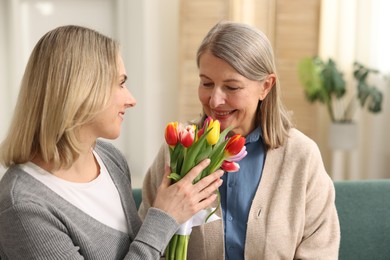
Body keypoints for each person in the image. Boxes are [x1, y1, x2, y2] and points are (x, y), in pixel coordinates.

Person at [0, 25, 224, 260]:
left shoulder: (109, 158)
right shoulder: (23, 207)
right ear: (82, 90)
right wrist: (163, 218)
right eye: (120, 83)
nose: (131, 100)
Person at [139, 21, 340, 259]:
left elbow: (320, 251)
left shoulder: (302, 156)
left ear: (265, 86)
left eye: (231, 87)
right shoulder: (179, 147)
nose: (215, 101)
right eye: (206, 83)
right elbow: (147, 240)